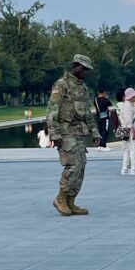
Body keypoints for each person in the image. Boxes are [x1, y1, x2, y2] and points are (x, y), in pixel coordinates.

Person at [46, 54, 101, 216]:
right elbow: (51, 111)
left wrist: (95, 132)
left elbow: (87, 114)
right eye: (83, 69)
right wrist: (54, 134)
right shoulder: (62, 85)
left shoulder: (83, 88)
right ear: (75, 66)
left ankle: (71, 200)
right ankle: (61, 198)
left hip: (79, 132)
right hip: (65, 131)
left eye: (87, 70)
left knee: (81, 166)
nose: (85, 72)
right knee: (73, 165)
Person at [116, 88, 135, 175]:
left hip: (126, 130)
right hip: (130, 130)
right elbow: (129, 120)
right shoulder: (128, 106)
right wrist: (133, 131)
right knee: (134, 149)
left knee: (127, 150)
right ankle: (134, 168)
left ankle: (125, 168)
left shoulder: (127, 105)